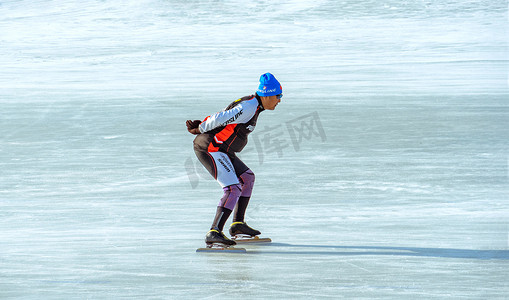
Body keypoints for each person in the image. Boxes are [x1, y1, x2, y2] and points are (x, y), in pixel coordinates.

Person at [186, 73, 283, 246]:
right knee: (232, 188)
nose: (280, 100)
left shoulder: (254, 105)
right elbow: (220, 117)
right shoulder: (249, 106)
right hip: (211, 147)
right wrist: (200, 128)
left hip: (222, 149)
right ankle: (214, 232)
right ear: (268, 95)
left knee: (247, 178)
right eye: (278, 96)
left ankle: (238, 225)